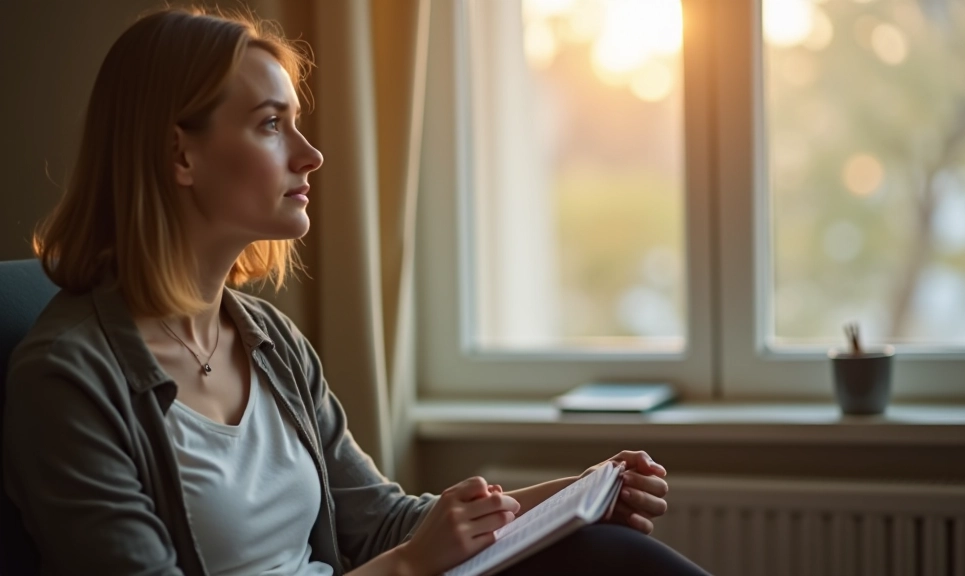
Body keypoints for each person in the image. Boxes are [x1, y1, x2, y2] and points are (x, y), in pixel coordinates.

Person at [2, 6, 709, 576]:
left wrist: (581, 493)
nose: (311, 155)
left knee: (605, 555)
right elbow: (400, 551)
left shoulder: (267, 340)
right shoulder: (66, 378)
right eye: (271, 124)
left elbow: (382, 522)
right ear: (179, 154)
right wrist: (405, 568)